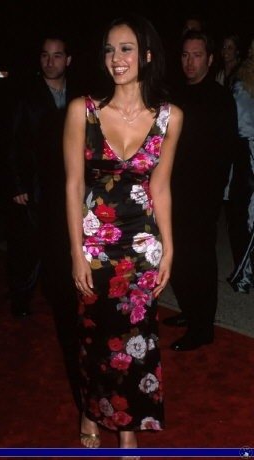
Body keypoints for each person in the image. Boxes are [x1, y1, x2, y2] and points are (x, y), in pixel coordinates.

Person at [63, 14, 182, 454]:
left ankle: (127, 429)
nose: (116, 58)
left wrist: (168, 248)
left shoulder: (170, 117)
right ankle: (91, 410)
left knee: (137, 342)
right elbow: (73, 186)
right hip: (95, 246)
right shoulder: (83, 111)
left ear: (146, 55)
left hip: (142, 246)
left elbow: (160, 187)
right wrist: (76, 252)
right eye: (110, 50)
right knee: (94, 337)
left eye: (126, 48)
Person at [165, 30, 239, 351]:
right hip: (172, 191)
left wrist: (210, 196)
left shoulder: (220, 98)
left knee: (199, 261)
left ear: (209, 59)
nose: (190, 62)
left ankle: (202, 327)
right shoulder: (175, 93)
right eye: (185, 55)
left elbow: (225, 152)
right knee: (176, 256)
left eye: (196, 55)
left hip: (201, 196)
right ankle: (189, 310)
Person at [6, 32, 75, 318]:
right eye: (45, 55)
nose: (50, 61)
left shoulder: (79, 95)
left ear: (67, 60)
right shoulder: (25, 95)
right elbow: (11, 141)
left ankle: (58, 294)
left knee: (63, 244)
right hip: (35, 186)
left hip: (69, 184)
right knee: (29, 247)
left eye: (57, 55)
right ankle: (21, 300)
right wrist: (17, 184)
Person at [228, 37, 254, 293]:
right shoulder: (241, 83)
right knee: (244, 216)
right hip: (247, 156)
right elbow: (238, 125)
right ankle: (246, 272)